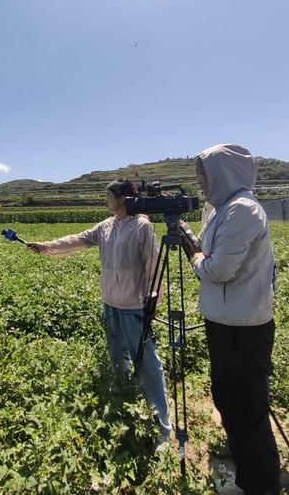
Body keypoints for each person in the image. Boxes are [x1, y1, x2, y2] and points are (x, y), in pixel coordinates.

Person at [28, 179, 172, 447]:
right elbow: (77, 239)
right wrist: (46, 246)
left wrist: (154, 301)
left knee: (147, 362)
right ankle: (124, 399)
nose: (105, 200)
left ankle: (161, 424)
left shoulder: (142, 226)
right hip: (110, 303)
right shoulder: (106, 226)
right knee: (116, 356)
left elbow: (153, 265)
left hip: (133, 305)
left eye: (109, 195)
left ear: (123, 199)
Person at [190, 144, 280, 495]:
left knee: (247, 408)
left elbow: (218, 269)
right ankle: (246, 463)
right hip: (227, 323)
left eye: (203, 173)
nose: (200, 180)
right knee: (229, 399)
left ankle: (259, 484)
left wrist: (196, 260)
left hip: (243, 328)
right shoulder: (222, 209)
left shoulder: (242, 209)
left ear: (222, 172)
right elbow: (205, 246)